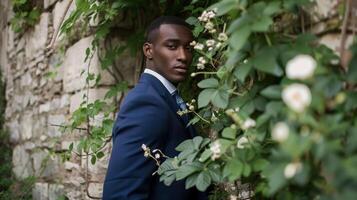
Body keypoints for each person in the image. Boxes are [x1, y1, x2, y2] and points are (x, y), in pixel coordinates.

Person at [103, 16, 208, 200]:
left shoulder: (167, 97)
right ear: (148, 50)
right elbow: (121, 194)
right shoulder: (145, 103)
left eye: (188, 48)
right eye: (172, 46)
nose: (183, 56)